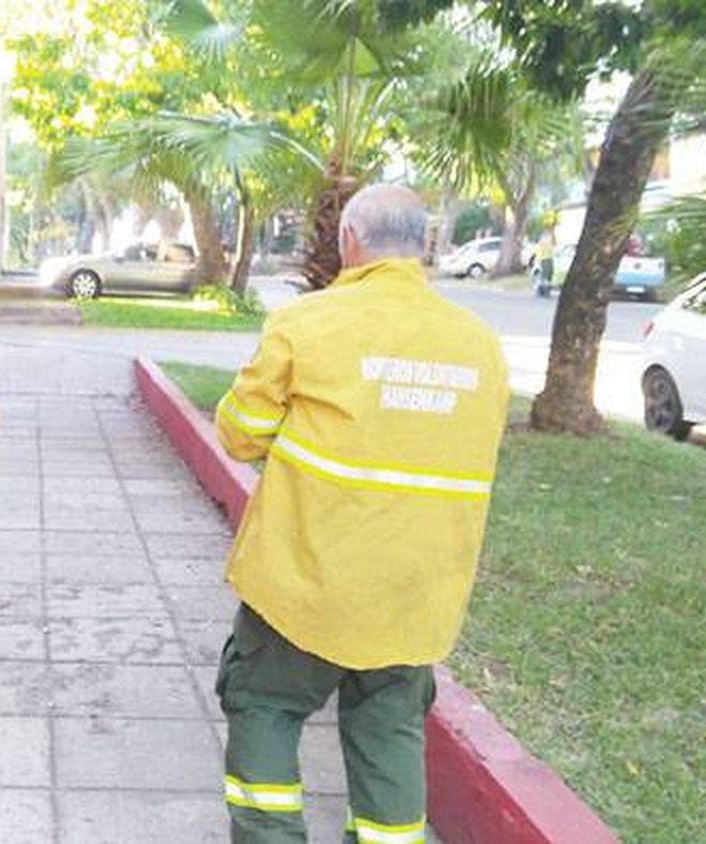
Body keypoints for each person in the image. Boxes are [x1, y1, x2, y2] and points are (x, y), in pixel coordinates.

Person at [213, 184, 509, 843]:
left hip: (305, 584)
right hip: (415, 595)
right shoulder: (480, 345)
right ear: (426, 244)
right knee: (390, 732)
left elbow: (239, 434)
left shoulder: (308, 323)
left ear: (350, 239)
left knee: (264, 705)